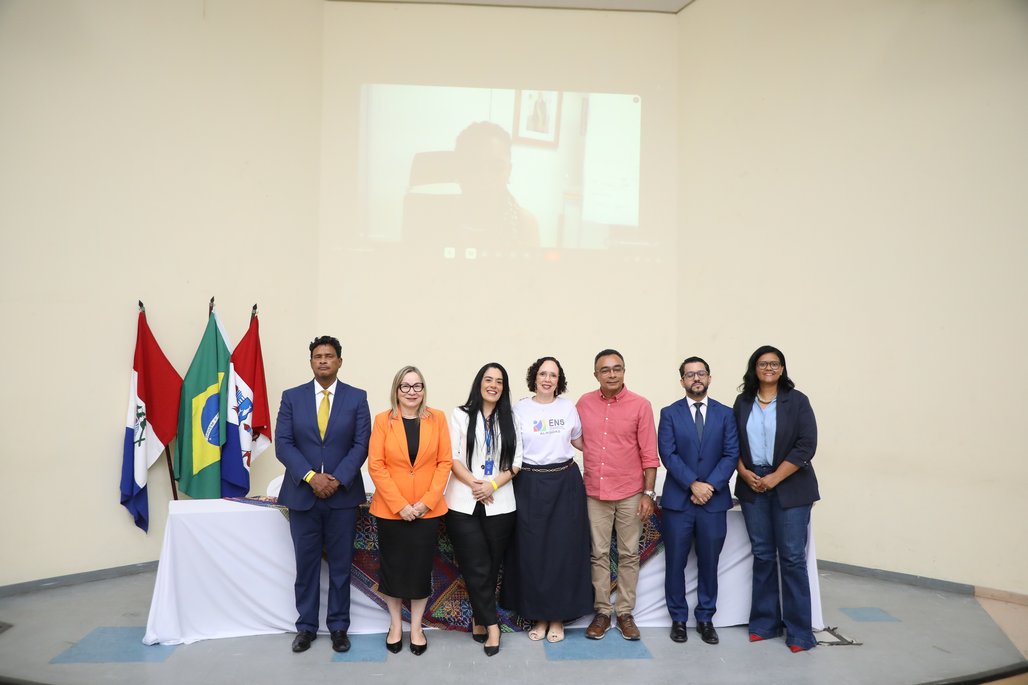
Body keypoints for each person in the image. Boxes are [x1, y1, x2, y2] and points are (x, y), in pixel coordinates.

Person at [274, 335, 371, 654]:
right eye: (318, 356)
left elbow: (361, 444)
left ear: (340, 361)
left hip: (342, 497)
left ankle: (340, 627)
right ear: (311, 361)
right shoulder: (292, 397)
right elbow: (284, 444)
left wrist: (337, 478)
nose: (324, 360)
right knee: (307, 566)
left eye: (330, 356)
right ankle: (306, 628)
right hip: (303, 495)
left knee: (341, 566)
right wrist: (311, 477)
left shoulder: (357, 398)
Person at [733, 345, 819, 653]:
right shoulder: (743, 402)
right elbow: (733, 444)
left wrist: (775, 477)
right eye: (762, 363)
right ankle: (764, 623)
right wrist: (744, 473)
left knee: (793, 557)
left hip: (790, 486)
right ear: (754, 369)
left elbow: (806, 445)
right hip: (753, 485)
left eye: (775, 363)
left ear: (782, 369)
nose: (768, 368)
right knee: (763, 555)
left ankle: (799, 633)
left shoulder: (797, 402)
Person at [501, 356, 592, 644]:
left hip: (565, 483)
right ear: (534, 377)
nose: (547, 379)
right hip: (529, 483)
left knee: (563, 551)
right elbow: (511, 447)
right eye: (543, 373)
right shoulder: (520, 409)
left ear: (559, 380)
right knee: (533, 552)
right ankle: (539, 616)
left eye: (553, 375)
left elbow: (581, 442)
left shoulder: (568, 408)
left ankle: (558, 618)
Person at [368, 366, 453, 656]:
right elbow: (376, 465)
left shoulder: (437, 418)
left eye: (417, 386)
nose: (411, 392)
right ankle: (395, 625)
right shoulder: (383, 421)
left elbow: (444, 463)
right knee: (392, 570)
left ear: (424, 390)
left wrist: (426, 502)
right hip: (392, 511)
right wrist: (400, 505)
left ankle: (416, 627)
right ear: (396, 390)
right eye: (405, 386)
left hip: (425, 511)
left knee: (419, 570)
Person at [576, 349, 659, 641]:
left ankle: (624, 612)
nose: (612, 374)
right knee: (598, 554)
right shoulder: (584, 403)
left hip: (629, 493)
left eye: (617, 368)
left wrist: (648, 493)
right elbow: (573, 437)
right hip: (595, 492)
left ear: (624, 371)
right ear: (596, 374)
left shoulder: (641, 405)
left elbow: (650, 454)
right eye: (605, 370)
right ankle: (601, 611)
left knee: (628, 554)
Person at [657, 356, 740, 645]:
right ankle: (678, 619)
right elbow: (668, 454)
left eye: (701, 373)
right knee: (675, 563)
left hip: (713, 503)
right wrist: (693, 484)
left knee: (708, 563)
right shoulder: (669, 413)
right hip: (679, 502)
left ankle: (705, 618)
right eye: (690, 374)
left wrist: (710, 486)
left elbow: (731, 454)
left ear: (709, 378)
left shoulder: (726, 414)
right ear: (681, 381)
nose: (696, 378)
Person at [444, 363, 523, 656]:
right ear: (479, 383)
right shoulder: (461, 415)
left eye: (499, 381)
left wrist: (492, 486)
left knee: (490, 566)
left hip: (499, 503)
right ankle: (492, 627)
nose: (493, 385)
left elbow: (517, 461)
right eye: (488, 379)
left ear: (504, 388)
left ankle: (479, 618)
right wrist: (476, 484)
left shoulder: (511, 417)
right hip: (463, 503)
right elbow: (452, 457)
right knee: (475, 564)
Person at [453, 122, 539, 248]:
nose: (485, 177)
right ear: (459, 171)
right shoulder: (438, 219)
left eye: (496, 167)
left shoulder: (524, 223)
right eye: (474, 166)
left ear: (509, 171)